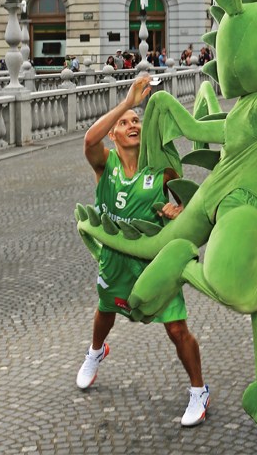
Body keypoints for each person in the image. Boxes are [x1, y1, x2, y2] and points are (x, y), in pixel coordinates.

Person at [79, 73, 210, 427]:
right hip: (115, 262)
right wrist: (126, 103)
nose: (133, 123)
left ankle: (199, 391)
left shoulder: (160, 170)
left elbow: (192, 203)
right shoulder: (104, 165)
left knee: (177, 330)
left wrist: (178, 209)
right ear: (115, 135)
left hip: (155, 264)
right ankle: (96, 352)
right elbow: (89, 139)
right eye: (124, 123)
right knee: (105, 310)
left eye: (136, 120)